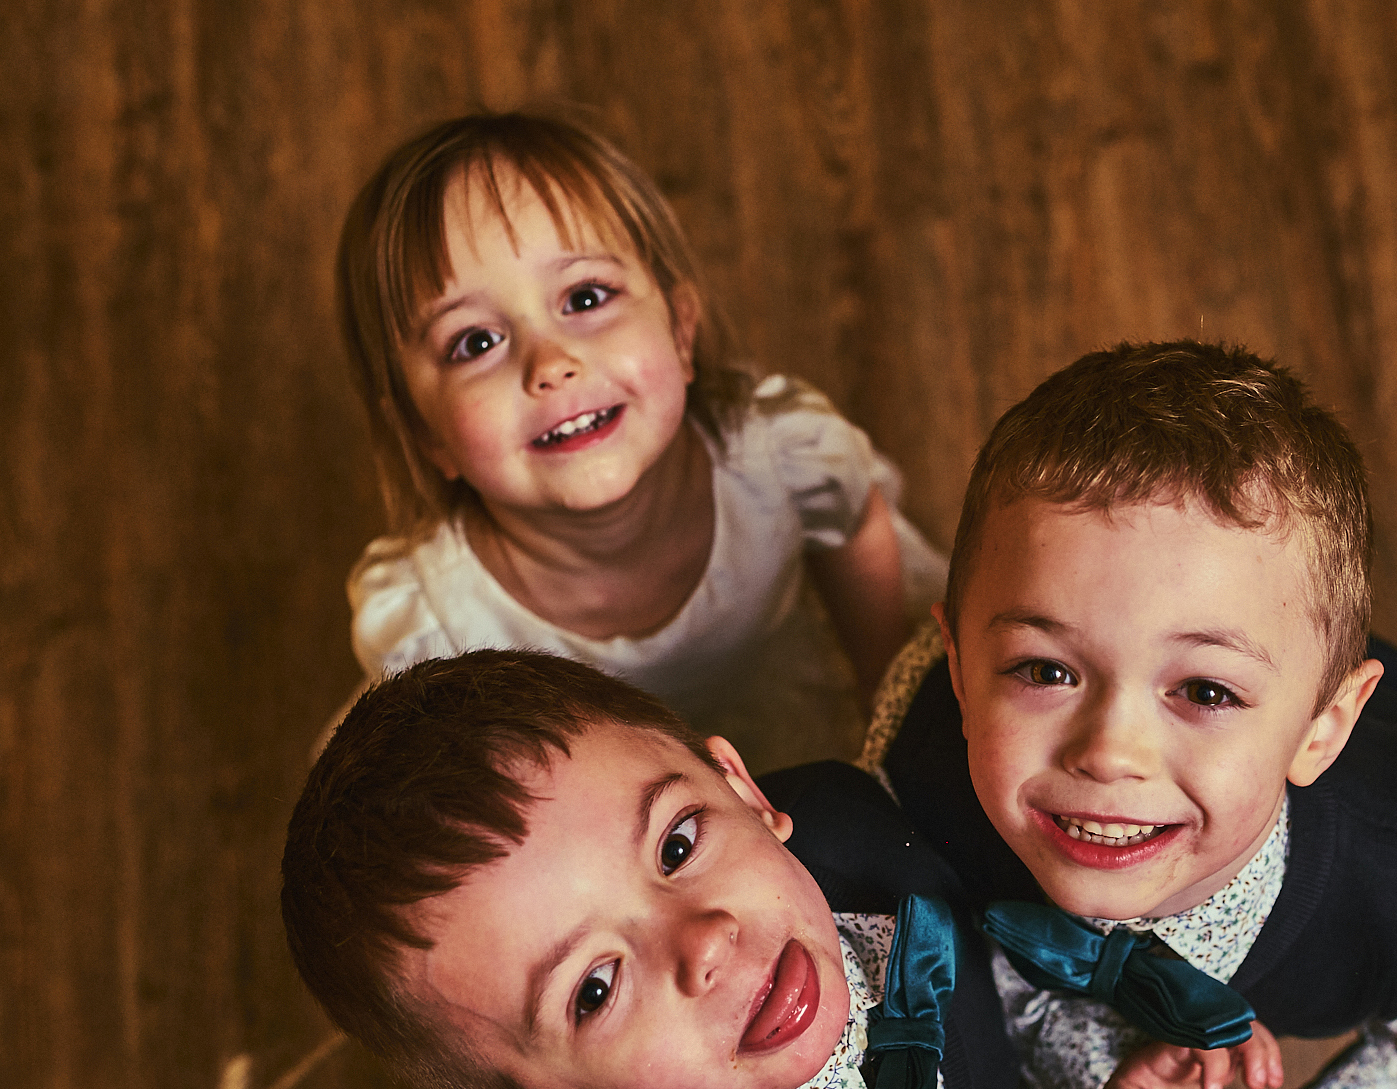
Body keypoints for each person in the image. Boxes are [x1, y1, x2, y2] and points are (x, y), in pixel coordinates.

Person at [862, 340, 1397, 1089]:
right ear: (959, 667)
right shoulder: (912, 767)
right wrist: (1094, 1070)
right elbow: (980, 971)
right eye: (1046, 670)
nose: (1111, 754)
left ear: (1323, 727)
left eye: (1205, 691)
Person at [281, 651, 1012, 1089]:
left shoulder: (856, 822)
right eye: (595, 988)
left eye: (677, 844)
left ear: (743, 793)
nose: (705, 940)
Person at [333, 111, 946, 772]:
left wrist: (885, 704)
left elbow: (858, 528)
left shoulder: (779, 461)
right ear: (424, 433)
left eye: (585, 298)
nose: (551, 364)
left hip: (801, 708)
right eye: (475, 342)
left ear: (681, 331)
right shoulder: (437, 625)